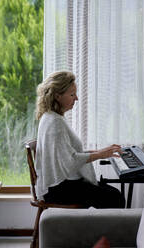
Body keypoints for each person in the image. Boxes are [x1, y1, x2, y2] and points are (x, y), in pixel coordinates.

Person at [34, 71, 125, 208]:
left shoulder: (50, 117)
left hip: (56, 185)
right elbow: (70, 161)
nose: (76, 98)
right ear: (58, 96)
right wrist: (100, 155)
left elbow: (67, 153)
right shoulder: (55, 123)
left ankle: (98, 229)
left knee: (112, 193)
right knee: (114, 197)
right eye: (72, 94)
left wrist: (102, 151)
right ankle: (100, 230)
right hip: (58, 190)